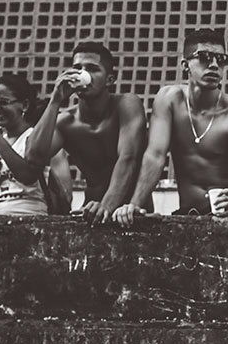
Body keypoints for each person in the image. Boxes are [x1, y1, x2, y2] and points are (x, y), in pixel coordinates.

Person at [112, 28, 228, 226]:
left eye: (220, 59)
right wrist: (134, 205)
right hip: (187, 213)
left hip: (226, 217)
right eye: (205, 57)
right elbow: (155, 156)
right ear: (185, 65)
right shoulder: (169, 101)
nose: (214, 65)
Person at [25, 42, 151, 225]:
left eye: (92, 69)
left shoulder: (126, 105)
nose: (83, 74)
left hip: (129, 213)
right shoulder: (66, 122)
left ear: (110, 80)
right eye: (77, 68)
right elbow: (32, 159)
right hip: (92, 212)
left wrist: (107, 207)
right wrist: (56, 100)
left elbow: (128, 158)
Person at [0, 74, 72, 215]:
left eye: (3, 102)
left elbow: (27, 175)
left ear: (24, 105)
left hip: (29, 222)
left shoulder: (35, 139)